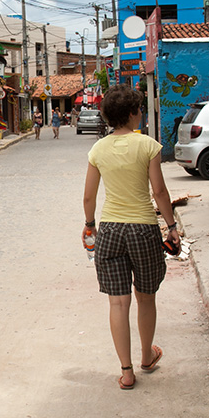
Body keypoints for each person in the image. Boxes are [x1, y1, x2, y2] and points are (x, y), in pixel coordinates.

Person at [82, 85, 179, 391]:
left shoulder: (98, 150)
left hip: (110, 229)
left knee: (118, 303)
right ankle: (147, 357)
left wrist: (89, 225)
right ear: (133, 113)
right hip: (142, 228)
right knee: (145, 296)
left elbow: (88, 198)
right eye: (139, 109)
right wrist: (172, 226)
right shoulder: (148, 146)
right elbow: (160, 192)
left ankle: (126, 372)